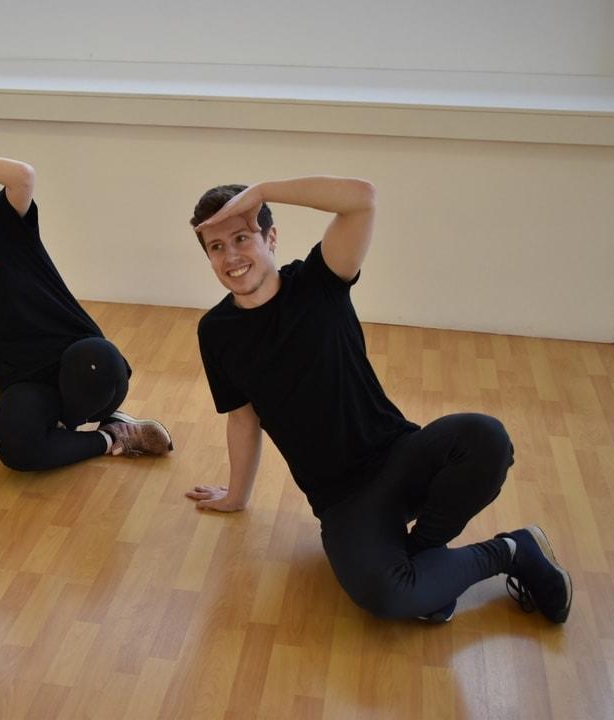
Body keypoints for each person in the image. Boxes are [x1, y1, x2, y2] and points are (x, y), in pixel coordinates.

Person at [186, 176, 572, 624]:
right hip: (342, 501)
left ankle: (425, 562)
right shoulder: (215, 332)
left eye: (242, 237)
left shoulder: (319, 280)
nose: (231, 256)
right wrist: (236, 495)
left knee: (487, 439)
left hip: (400, 458)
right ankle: (509, 551)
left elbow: (361, 200)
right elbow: (242, 418)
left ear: (271, 237)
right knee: (386, 596)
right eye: (216, 247)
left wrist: (263, 191)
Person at [0, 153, 172, 470]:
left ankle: (67, 428)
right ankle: (113, 437)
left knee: (98, 359)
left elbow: (23, 176)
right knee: (15, 450)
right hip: (26, 383)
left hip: (83, 369)